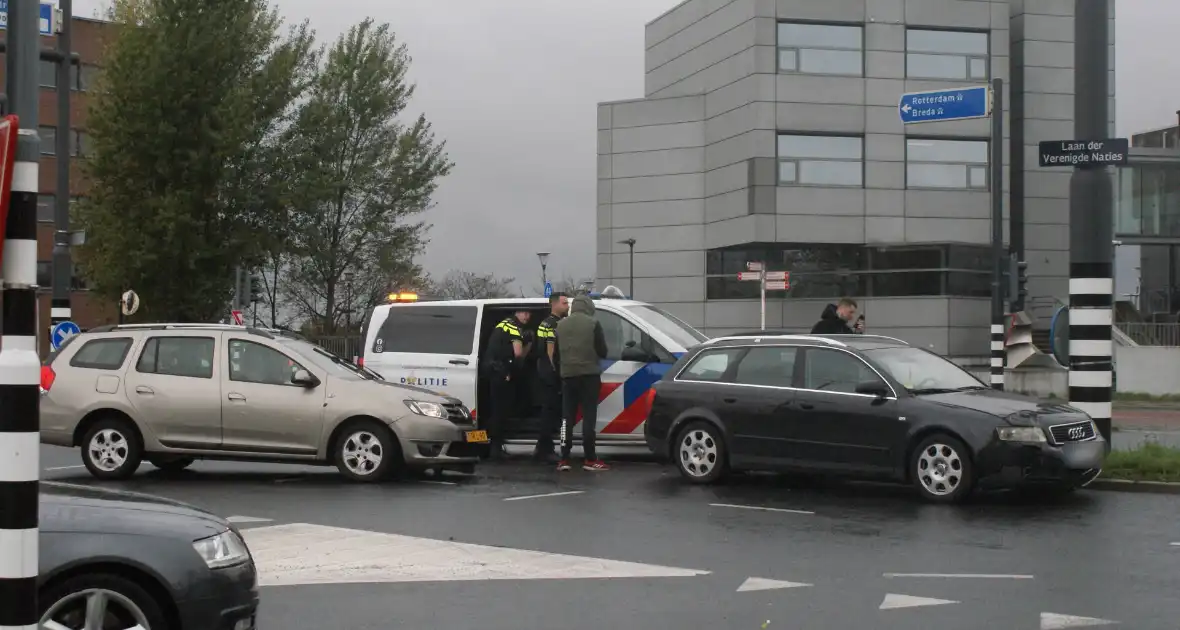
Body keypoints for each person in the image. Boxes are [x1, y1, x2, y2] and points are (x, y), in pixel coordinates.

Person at [555, 295, 609, 472]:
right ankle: (590, 458)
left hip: (568, 376)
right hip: (589, 376)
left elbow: (556, 354)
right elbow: (603, 351)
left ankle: (563, 458)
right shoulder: (593, 324)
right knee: (588, 417)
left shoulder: (561, 325)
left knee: (566, 418)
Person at [482, 309, 532, 460]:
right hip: (501, 373)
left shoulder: (503, 325)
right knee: (500, 411)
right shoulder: (513, 327)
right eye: (524, 313)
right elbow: (518, 354)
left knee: (497, 409)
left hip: (494, 370)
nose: (527, 316)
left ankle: (489, 445)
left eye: (529, 314)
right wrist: (528, 343)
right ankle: (495, 448)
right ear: (516, 313)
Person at [532, 292, 570, 462]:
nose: (567, 306)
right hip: (550, 373)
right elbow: (550, 350)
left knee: (551, 411)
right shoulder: (552, 324)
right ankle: (545, 448)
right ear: (554, 304)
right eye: (564, 303)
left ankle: (542, 447)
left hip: (546, 371)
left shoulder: (545, 323)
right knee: (550, 412)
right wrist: (554, 370)